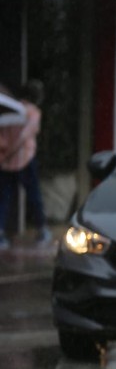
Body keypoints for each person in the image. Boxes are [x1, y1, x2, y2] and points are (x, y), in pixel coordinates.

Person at [0, 79, 50, 250]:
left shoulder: (9, 110)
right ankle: (42, 230)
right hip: (25, 159)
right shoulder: (32, 112)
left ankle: (1, 234)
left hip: (6, 162)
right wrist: (11, 152)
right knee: (34, 196)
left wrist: (4, 155)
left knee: (5, 197)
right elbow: (25, 136)